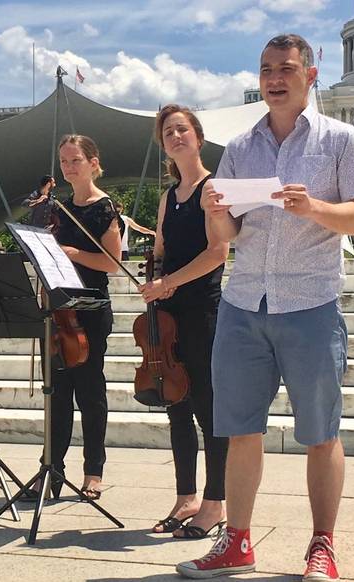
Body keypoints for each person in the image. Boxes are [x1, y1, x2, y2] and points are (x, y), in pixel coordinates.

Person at [176, 35, 354, 582]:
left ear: (310, 76)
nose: (274, 78)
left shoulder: (340, 140)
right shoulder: (240, 146)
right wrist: (215, 212)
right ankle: (236, 540)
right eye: (266, 70)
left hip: (310, 302)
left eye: (286, 69)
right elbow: (230, 234)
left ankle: (321, 546)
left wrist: (311, 206)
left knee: (320, 433)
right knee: (241, 430)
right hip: (244, 304)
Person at [141, 105, 229, 539]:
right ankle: (185, 498)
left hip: (203, 311)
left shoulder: (213, 188)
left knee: (208, 409)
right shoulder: (167, 196)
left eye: (182, 129)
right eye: (168, 132)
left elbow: (218, 252)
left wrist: (169, 282)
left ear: (197, 136)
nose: (175, 136)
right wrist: (154, 279)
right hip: (170, 312)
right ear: (164, 144)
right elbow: (159, 248)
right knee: (175, 406)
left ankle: (214, 504)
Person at [25, 134, 121, 502]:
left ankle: (93, 471)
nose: (68, 167)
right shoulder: (60, 209)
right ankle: (52, 467)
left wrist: (71, 252)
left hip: (91, 310)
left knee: (90, 393)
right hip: (60, 307)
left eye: (75, 160)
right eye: (64, 161)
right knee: (57, 394)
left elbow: (111, 263)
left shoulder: (105, 208)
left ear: (93, 163)